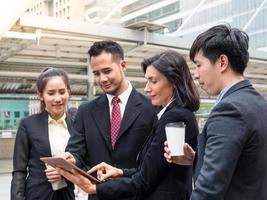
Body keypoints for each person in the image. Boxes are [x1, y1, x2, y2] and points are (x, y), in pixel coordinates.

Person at [58, 50, 200, 200]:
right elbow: (153, 169)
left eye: (153, 81)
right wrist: (120, 172)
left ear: (173, 80)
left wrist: (94, 188)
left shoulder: (169, 115)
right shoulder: (171, 113)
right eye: (96, 73)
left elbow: (146, 178)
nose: (147, 88)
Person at [164, 24, 267, 200]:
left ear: (222, 62)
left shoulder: (229, 110)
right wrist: (195, 158)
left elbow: (209, 189)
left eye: (198, 65)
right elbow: (244, 163)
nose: (195, 74)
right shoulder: (259, 103)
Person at [65, 40, 155, 200]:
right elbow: (77, 150)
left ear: (123, 65)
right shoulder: (86, 111)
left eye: (107, 71)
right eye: (97, 73)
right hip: (99, 195)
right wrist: (72, 159)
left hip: (137, 195)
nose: (102, 79)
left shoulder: (151, 107)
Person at [11, 68, 75, 200]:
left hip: (66, 196)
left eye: (62, 92)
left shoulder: (77, 125)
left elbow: (85, 163)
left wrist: (64, 173)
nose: (58, 98)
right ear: (40, 95)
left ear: (69, 92)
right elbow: (19, 171)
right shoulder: (28, 125)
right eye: (51, 93)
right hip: (36, 195)